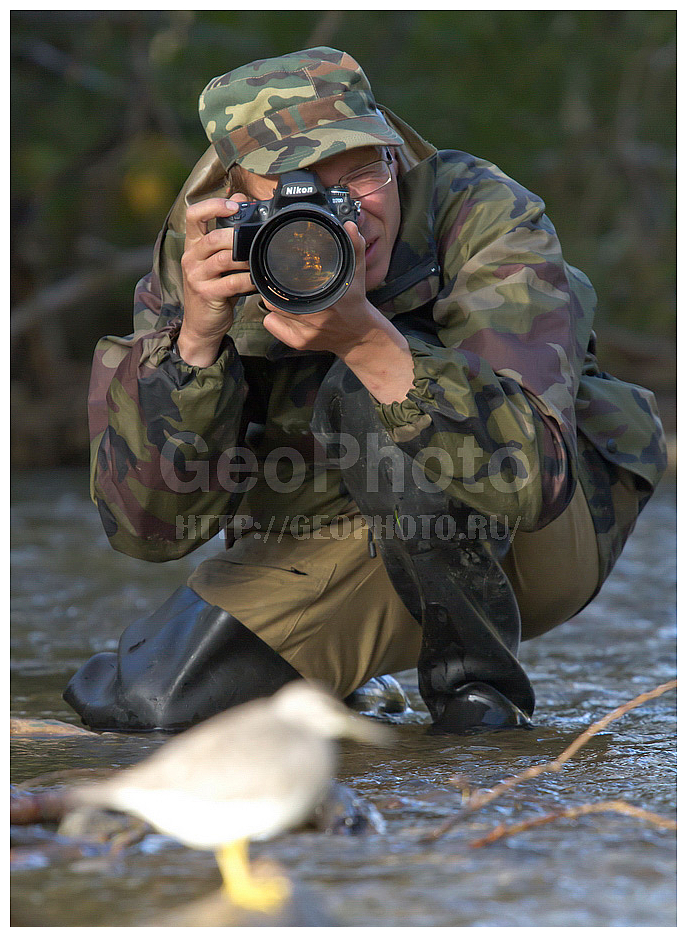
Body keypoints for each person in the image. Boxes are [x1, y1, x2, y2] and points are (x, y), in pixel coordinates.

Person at [64, 47, 666, 733]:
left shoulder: (476, 211)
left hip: (541, 531)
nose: (344, 213)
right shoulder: (207, 254)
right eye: (304, 189)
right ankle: (357, 677)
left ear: (391, 150)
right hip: (337, 530)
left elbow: (528, 477)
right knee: (153, 706)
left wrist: (367, 339)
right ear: (242, 196)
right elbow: (148, 531)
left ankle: (475, 690)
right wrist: (196, 348)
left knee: (371, 386)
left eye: (359, 173)